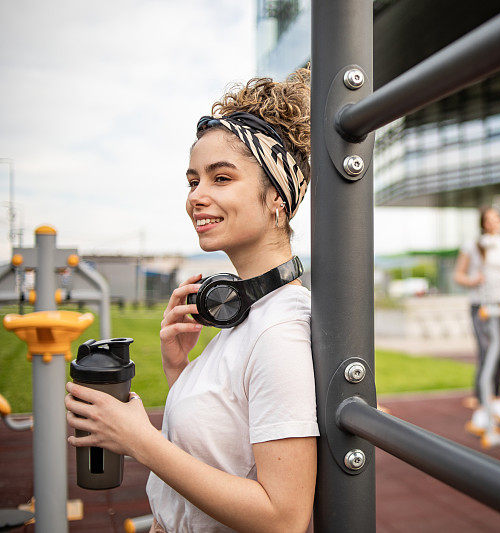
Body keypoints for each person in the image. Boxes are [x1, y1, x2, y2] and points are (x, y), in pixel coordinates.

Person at [64, 69, 317, 532]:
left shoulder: (279, 330)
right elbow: (225, 450)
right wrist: (181, 370)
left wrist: (139, 440)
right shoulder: (249, 312)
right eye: (193, 180)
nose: (197, 197)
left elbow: (284, 518)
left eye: (221, 178)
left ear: (277, 198)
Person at [454, 207, 500, 434]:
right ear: (484, 223)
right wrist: (473, 280)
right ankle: (483, 400)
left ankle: (494, 398)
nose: (495, 222)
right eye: (490, 219)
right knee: (486, 351)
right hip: (481, 306)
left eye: (497, 219)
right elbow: (458, 275)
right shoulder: (473, 245)